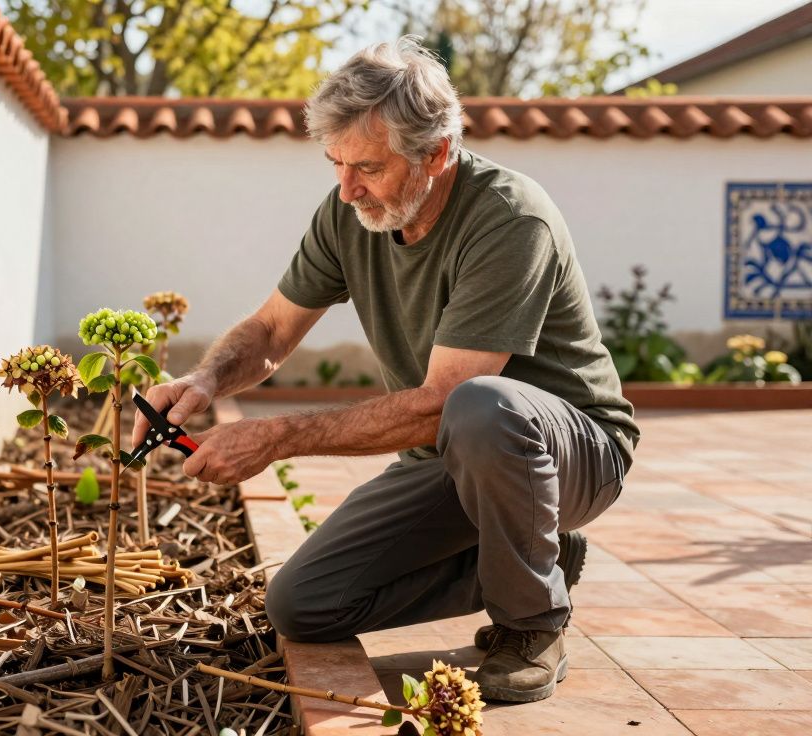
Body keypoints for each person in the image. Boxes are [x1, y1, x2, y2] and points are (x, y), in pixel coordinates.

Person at [132, 36, 638, 703]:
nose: (346, 189)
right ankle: (543, 557)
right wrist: (204, 381)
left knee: (481, 407)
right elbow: (273, 330)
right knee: (303, 605)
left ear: (436, 152)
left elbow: (444, 400)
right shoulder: (350, 214)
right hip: (449, 454)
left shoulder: (511, 219)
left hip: (570, 453)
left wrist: (276, 438)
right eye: (335, 164)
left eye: (366, 167)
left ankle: (532, 624)